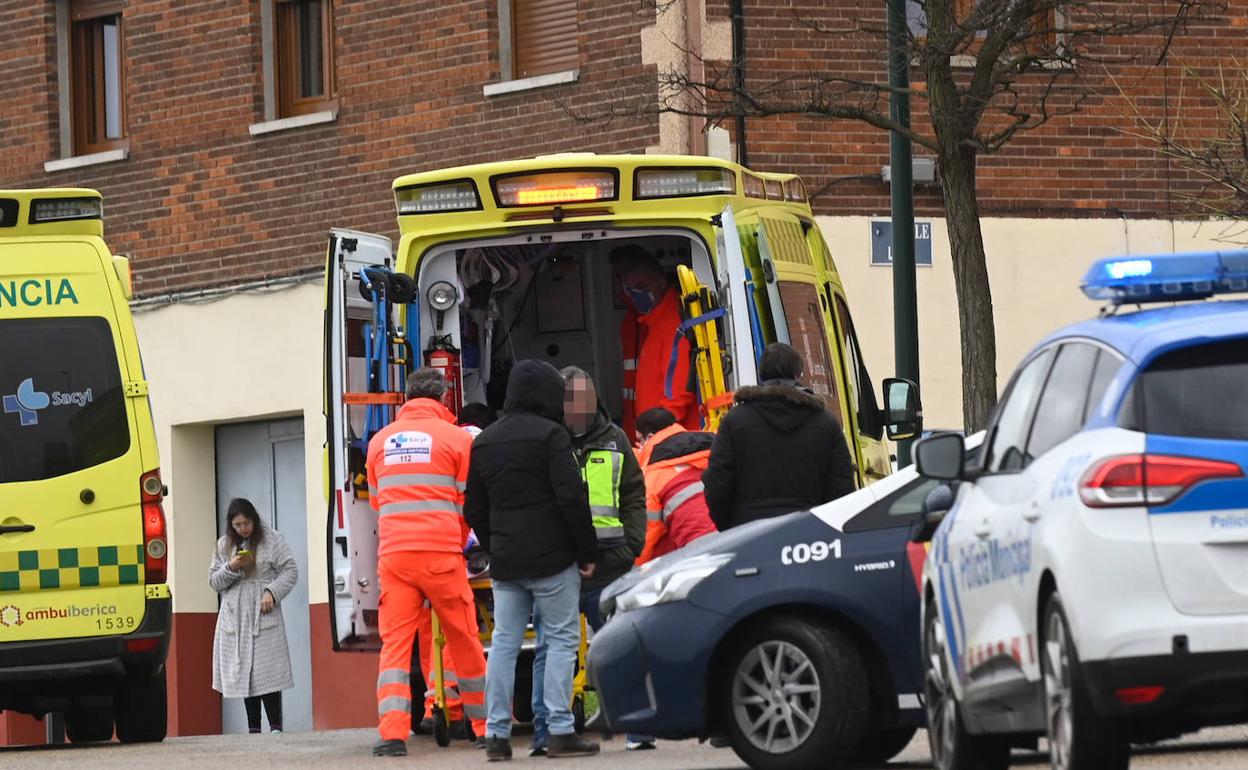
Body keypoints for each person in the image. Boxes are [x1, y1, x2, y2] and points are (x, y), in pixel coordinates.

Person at [464, 359, 601, 761]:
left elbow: (474, 507)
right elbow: (571, 498)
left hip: (507, 563)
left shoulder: (485, 441)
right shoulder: (551, 436)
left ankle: (496, 736)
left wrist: (494, 544)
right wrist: (586, 551)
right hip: (553, 561)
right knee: (560, 641)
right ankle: (560, 730)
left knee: (504, 644)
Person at [368, 368, 488, 757]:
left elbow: (376, 501)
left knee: (395, 649)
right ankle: (484, 727)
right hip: (441, 555)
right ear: (442, 397)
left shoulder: (379, 442)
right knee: (464, 640)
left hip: (395, 558)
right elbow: (466, 503)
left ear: (406, 397)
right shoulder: (456, 439)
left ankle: (392, 736)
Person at [529, 366, 647, 755]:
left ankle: (637, 728)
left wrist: (632, 543)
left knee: (621, 648)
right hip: (561, 569)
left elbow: (632, 494)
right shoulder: (546, 440)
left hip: (610, 567)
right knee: (549, 652)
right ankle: (546, 732)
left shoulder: (615, 441)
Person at [703, 343, 856, 530]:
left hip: (748, 534)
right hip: (810, 534)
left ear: (761, 374)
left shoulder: (735, 420)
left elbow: (717, 482)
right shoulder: (825, 423)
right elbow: (841, 485)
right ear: (797, 374)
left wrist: (731, 527)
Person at [210, 498, 299, 735]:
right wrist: (231, 567)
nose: (243, 529)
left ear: (254, 519)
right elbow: (214, 582)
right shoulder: (223, 546)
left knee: (266, 670)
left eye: (246, 523)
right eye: (237, 525)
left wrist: (272, 591)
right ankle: (253, 728)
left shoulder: (272, 539)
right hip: (235, 614)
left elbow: (290, 571)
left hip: (262, 611)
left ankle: (276, 726)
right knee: (244, 673)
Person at [612, 245, 699, 438]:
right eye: (631, 289)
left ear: (660, 281)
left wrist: (655, 434)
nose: (636, 294)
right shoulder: (654, 322)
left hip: (670, 441)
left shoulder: (673, 324)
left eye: (641, 287)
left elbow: (677, 393)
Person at [636, 426, 718, 564]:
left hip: (698, 552)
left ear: (649, 438)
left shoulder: (653, 476)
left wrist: (632, 573)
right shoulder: (713, 450)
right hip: (738, 535)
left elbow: (647, 534)